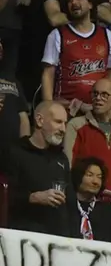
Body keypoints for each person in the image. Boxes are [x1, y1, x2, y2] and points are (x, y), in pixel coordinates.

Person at [65, 78, 111, 222]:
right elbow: (68, 166)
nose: (98, 98)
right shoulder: (76, 126)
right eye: (95, 94)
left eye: (104, 95)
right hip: (85, 207)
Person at [41, 0, 111, 108]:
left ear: (90, 4)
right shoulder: (57, 35)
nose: (74, 2)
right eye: (70, 0)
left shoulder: (107, 35)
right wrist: (48, 108)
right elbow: (48, 75)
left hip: (100, 110)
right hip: (67, 110)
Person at [6, 99, 73, 236]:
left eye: (65, 123)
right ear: (40, 120)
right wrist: (33, 197)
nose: (63, 129)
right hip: (24, 236)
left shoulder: (61, 158)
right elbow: (5, 195)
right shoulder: (14, 152)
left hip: (58, 238)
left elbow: (71, 203)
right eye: (58, 122)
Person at [68, 158, 111, 245]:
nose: (95, 181)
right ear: (78, 177)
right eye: (90, 175)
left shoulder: (109, 212)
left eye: (99, 177)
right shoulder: (64, 207)